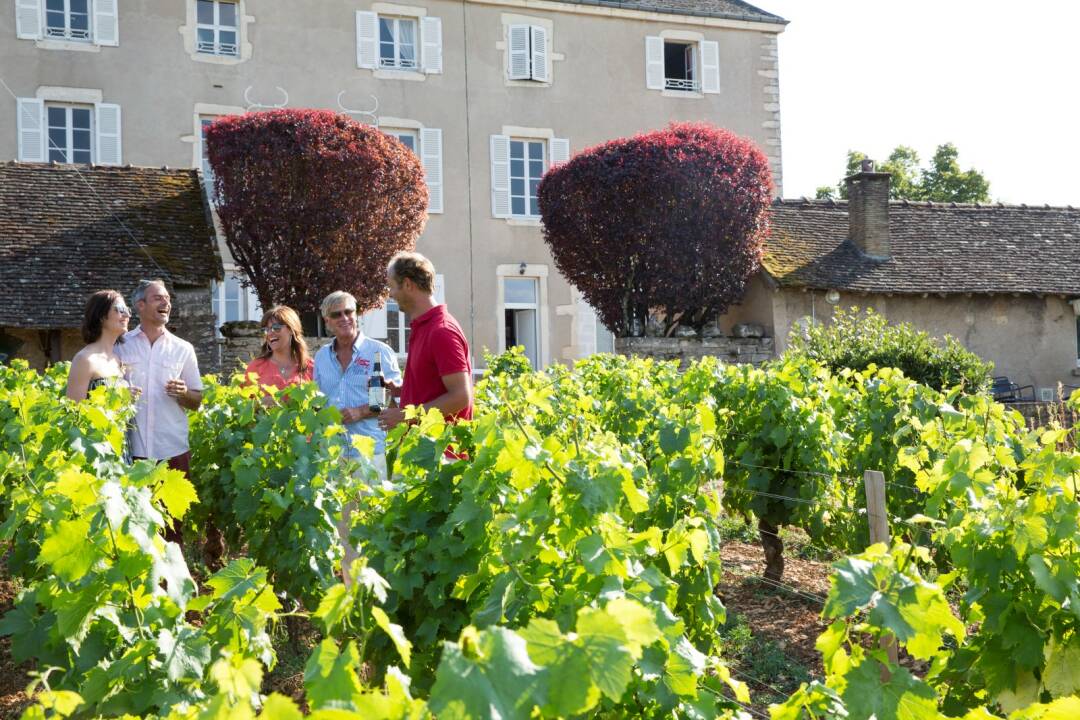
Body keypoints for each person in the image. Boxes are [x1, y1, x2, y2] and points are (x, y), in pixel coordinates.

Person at [312, 290, 401, 584]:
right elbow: (317, 402)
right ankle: (352, 593)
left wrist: (360, 411)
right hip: (333, 452)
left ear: (357, 314)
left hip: (368, 450)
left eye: (349, 312)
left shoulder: (378, 352)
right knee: (343, 526)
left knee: (372, 522)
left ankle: (377, 591)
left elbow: (395, 400)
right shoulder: (322, 357)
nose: (344, 319)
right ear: (327, 321)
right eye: (336, 314)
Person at [115, 279, 203, 541]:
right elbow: (104, 393)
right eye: (158, 298)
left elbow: (197, 400)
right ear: (140, 305)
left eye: (168, 299)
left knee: (173, 529)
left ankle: (172, 582)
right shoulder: (120, 346)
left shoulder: (183, 349)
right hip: (133, 452)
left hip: (172, 451)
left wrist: (183, 393)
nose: (166, 303)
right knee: (134, 530)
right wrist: (120, 395)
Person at [378, 252, 473, 432]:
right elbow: (434, 386)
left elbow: (461, 396)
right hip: (426, 449)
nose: (390, 294)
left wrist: (405, 416)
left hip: (444, 454)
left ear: (407, 284)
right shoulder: (423, 327)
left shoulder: (441, 331)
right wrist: (400, 389)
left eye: (391, 287)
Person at [66, 289, 135, 463]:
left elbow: (117, 409)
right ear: (101, 316)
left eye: (127, 310)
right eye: (119, 309)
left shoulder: (117, 360)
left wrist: (126, 400)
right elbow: (75, 416)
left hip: (121, 448)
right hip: (97, 454)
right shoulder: (85, 359)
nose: (126, 314)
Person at [245, 305, 314, 391]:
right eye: (266, 330)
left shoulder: (311, 367)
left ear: (291, 330)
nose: (269, 333)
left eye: (276, 328)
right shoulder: (256, 367)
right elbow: (245, 401)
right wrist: (262, 402)